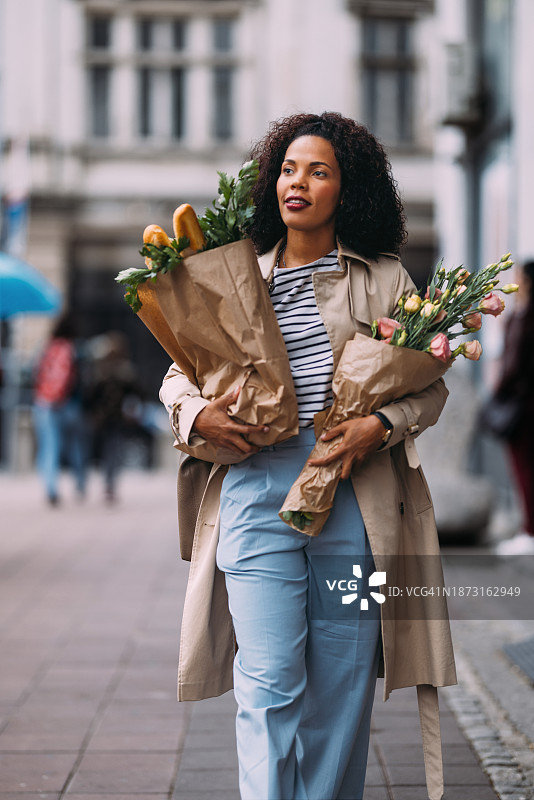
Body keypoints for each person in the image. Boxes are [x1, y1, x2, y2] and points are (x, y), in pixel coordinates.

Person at [160, 112, 456, 800]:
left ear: (345, 190)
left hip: (357, 507)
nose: (300, 181)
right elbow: (182, 367)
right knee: (266, 687)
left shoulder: (385, 281)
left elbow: (431, 389)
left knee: (342, 690)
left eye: (319, 170)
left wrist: (378, 424)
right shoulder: (230, 272)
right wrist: (195, 410)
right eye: (290, 168)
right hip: (256, 498)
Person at [491, 261, 534, 555]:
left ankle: (529, 531)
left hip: (524, 404)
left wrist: (499, 387)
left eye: (518, 276)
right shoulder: (520, 314)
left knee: (525, 467)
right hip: (523, 401)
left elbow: (515, 363)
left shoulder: (526, 317)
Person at [33, 312, 87, 505]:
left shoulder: (46, 347)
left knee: (49, 446)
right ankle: (80, 484)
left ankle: (51, 487)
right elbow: (78, 379)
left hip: (44, 403)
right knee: (75, 446)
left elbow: (35, 372)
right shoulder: (72, 349)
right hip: (69, 404)